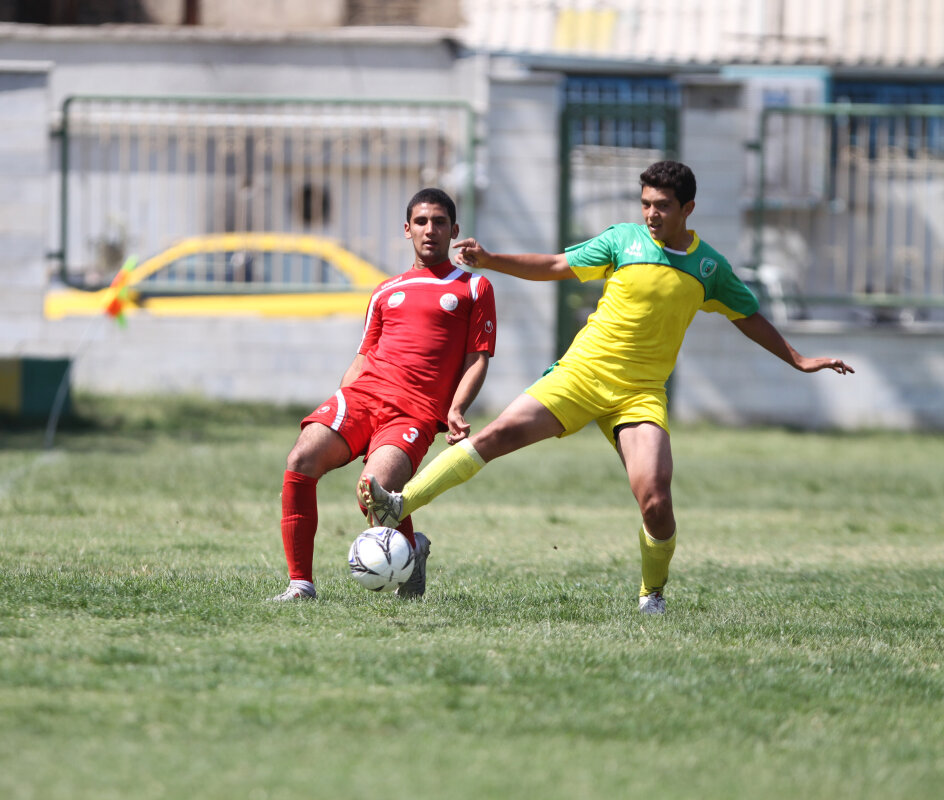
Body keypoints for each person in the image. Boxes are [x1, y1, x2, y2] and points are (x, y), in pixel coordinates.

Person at [359, 160, 854, 614]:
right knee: (495, 436)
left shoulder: (709, 268)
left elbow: (748, 316)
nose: (651, 214)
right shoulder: (623, 241)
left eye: (663, 206)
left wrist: (799, 359)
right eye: (646, 204)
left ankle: (652, 594)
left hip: (640, 394)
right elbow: (555, 266)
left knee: (656, 500)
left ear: (688, 209)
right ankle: (400, 503)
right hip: (581, 374)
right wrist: (491, 259)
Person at [271, 188, 498, 601]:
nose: (430, 230)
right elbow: (363, 357)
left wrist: (457, 407)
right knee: (301, 458)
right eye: (422, 222)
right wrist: (342, 407)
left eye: (440, 222)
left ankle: (411, 552)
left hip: (414, 412)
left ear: (454, 230)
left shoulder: (473, 286)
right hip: (363, 396)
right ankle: (300, 585)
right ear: (407, 229)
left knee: (373, 493)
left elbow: (477, 358)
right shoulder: (385, 290)